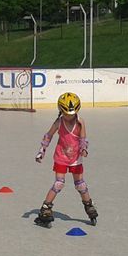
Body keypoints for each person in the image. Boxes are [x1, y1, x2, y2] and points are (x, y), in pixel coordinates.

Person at [34, 92, 98, 225]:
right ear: (61, 111)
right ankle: (45, 208)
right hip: (61, 156)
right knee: (59, 183)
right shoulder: (59, 122)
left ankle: (89, 205)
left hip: (75, 158)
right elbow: (48, 136)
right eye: (67, 114)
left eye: (72, 114)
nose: (69, 116)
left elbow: (83, 138)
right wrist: (42, 151)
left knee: (80, 184)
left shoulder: (80, 122)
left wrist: (84, 149)